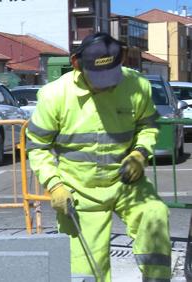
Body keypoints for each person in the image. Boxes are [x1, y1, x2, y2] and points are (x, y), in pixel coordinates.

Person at [26, 32, 171, 281]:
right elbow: (37, 146)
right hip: (79, 190)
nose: (107, 84)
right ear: (76, 64)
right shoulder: (55, 96)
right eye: (99, 77)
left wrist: (140, 152)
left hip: (126, 184)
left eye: (112, 75)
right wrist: (55, 184)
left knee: (154, 213)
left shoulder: (136, 86)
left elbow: (147, 126)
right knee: (85, 272)